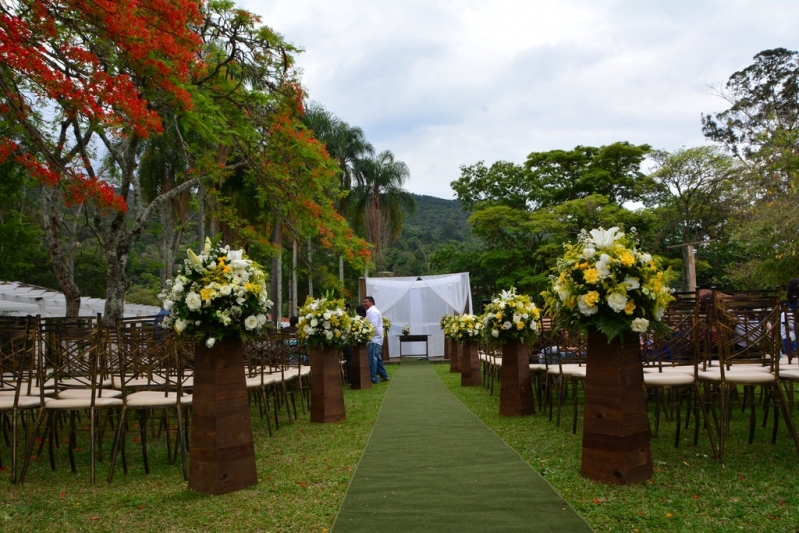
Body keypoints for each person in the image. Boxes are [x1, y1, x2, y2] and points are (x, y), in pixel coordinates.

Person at [363, 296, 389, 383]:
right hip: (375, 339)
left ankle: (373, 378)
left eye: (366, 302)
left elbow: (372, 325)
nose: (364, 303)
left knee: (372, 358)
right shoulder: (371, 311)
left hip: (374, 339)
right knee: (377, 358)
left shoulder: (373, 312)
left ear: (371, 303)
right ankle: (384, 375)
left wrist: (363, 331)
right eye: (364, 302)